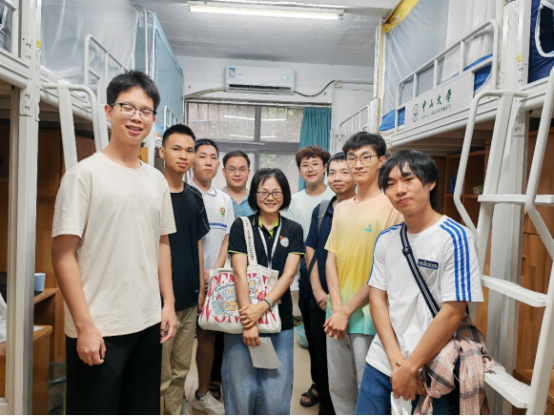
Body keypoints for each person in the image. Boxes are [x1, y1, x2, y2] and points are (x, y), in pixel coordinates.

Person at [51, 70, 177, 416]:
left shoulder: (156, 180)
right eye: (128, 107)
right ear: (109, 111)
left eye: (146, 111)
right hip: (99, 327)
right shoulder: (83, 175)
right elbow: (62, 255)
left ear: (153, 120)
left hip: (147, 323)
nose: (137, 117)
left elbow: (162, 243)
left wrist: (167, 303)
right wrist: (84, 326)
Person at [356, 150, 485, 416]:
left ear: (430, 182)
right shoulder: (387, 239)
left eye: (408, 179)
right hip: (383, 360)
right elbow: (377, 298)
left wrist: (411, 366)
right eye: (390, 184)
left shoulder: (455, 237)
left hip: (431, 365)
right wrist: (398, 364)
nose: (399, 190)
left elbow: (452, 312)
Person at [324, 132, 403, 416]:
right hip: (335, 318)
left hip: (369, 318)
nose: (357, 164)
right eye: (351, 158)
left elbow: (385, 272)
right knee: (339, 389)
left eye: (365, 157)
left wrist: (346, 311)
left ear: (382, 161)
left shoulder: (392, 207)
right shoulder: (341, 207)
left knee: (368, 394)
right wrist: (337, 310)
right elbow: (331, 259)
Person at [223, 168, 305, 416]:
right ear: (255, 195)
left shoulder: (293, 229)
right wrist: (249, 321)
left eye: (276, 192)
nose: (270, 197)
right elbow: (239, 272)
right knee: (241, 388)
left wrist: (263, 306)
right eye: (264, 192)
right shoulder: (241, 226)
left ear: (285, 194)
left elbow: (288, 275)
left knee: (275, 392)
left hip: (280, 320)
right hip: (243, 317)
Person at [159, 125, 210, 416]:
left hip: (189, 299)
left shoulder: (194, 196)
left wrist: (200, 291)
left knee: (180, 370)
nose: (183, 155)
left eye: (189, 150)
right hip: (158, 302)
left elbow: (198, 244)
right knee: (159, 373)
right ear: (162, 151)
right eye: (176, 148)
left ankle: (175, 412)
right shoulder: (152, 192)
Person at [304, 152, 356, 416]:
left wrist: (338, 301)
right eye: (332, 172)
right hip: (319, 300)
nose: (337, 178)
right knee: (321, 361)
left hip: (351, 303)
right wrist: (317, 291)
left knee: (348, 366)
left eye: (344, 172)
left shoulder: (364, 209)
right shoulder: (322, 210)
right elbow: (310, 249)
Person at [285, 145, 334, 408]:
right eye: (305, 165)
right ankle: (318, 384)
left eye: (315, 164)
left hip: (337, 268)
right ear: (299, 170)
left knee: (337, 335)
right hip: (306, 270)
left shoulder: (337, 195)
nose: (310, 169)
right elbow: (293, 240)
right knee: (314, 334)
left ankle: (337, 388)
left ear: (325, 167)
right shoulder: (294, 201)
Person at [190, 139, 233, 416]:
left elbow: (227, 239)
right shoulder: (182, 193)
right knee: (180, 341)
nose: (207, 161)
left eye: (213, 157)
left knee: (208, 337)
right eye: (202, 155)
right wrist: (198, 277)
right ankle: (174, 398)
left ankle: (202, 393)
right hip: (186, 279)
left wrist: (213, 272)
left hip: (214, 280)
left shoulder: (224, 199)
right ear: (192, 160)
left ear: (218, 165)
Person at [222, 150, 254, 217]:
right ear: (224, 172)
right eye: (232, 169)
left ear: (248, 172)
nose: (237, 174)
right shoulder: (215, 200)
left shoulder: (257, 200)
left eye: (242, 169)